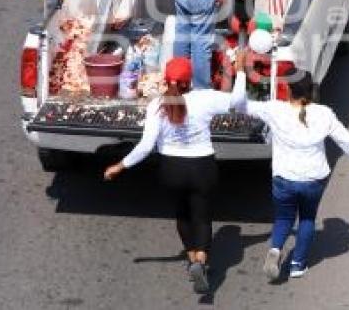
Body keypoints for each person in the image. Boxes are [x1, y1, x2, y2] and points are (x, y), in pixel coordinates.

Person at [104, 57, 246, 294]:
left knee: (182, 215)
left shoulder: (156, 106)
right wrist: (240, 72)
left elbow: (146, 146)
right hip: (203, 167)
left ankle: (192, 260)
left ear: (165, 80)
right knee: (201, 216)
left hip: (171, 170)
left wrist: (120, 165)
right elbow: (238, 101)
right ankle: (201, 261)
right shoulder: (205, 98)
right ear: (189, 80)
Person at [230, 55, 349, 280]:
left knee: (284, 218)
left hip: (284, 179)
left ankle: (276, 249)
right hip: (314, 180)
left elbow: (238, 104)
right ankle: (297, 264)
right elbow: (346, 141)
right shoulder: (324, 113)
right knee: (307, 218)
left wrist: (239, 72)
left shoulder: (274, 110)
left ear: (288, 90)